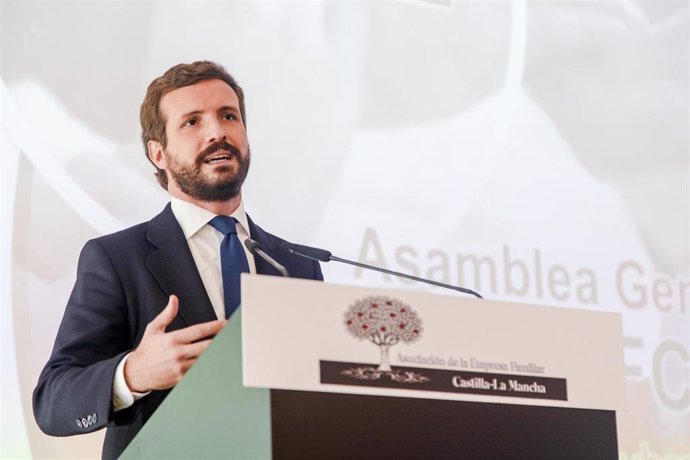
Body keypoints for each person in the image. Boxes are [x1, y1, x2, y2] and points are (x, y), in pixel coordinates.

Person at [32, 61, 323, 459]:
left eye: (228, 116)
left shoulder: (297, 265)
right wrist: (133, 374)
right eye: (191, 122)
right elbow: (53, 401)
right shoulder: (117, 259)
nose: (217, 132)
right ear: (158, 153)